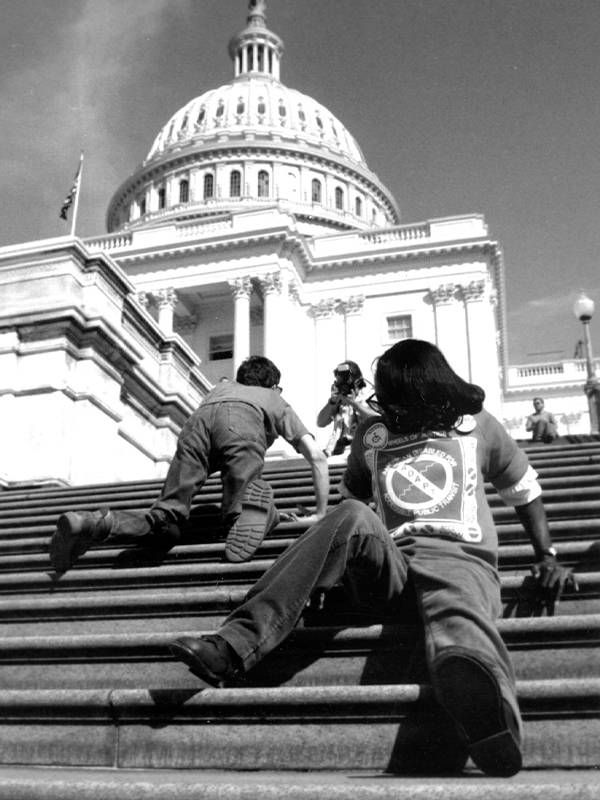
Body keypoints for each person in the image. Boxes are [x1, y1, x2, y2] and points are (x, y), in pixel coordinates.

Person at [169, 339, 576, 778]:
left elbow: (525, 491)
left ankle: (489, 719)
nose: (384, 406)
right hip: (391, 570)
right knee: (350, 512)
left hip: (459, 562)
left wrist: (547, 554)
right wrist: (327, 570)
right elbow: (351, 509)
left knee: (459, 623)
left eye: (394, 397)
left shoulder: (475, 425)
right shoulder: (372, 433)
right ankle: (233, 644)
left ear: (425, 390)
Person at [50, 356, 329, 571]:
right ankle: (257, 513)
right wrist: (318, 512)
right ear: (274, 386)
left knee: (164, 518)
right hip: (242, 427)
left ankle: (94, 523)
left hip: (197, 424)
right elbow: (316, 455)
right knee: (241, 511)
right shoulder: (272, 397)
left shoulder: (219, 390)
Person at [316, 360, 374, 456]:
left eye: (345, 383)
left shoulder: (369, 395)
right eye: (339, 383)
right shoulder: (339, 398)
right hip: (339, 452)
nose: (343, 387)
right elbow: (320, 422)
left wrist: (353, 403)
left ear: (357, 381)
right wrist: (332, 402)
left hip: (365, 451)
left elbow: (377, 419)